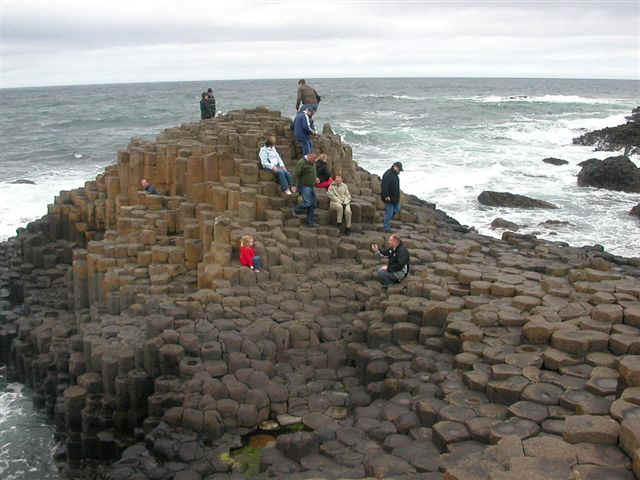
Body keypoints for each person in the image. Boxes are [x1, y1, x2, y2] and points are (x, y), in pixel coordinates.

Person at [292, 153, 319, 227]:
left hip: (311, 186)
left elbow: (312, 171)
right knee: (308, 203)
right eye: (313, 161)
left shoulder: (312, 162)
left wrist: (315, 178)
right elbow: (295, 174)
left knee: (313, 204)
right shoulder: (302, 162)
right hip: (304, 186)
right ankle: (295, 209)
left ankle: (310, 222)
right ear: (309, 157)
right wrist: (294, 185)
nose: (314, 163)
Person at [381, 161, 403, 233]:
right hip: (389, 198)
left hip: (395, 198)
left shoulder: (395, 174)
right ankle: (386, 228)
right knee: (389, 213)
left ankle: (386, 220)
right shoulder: (388, 174)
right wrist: (386, 196)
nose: (399, 171)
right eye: (399, 169)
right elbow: (384, 186)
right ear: (394, 166)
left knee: (397, 209)